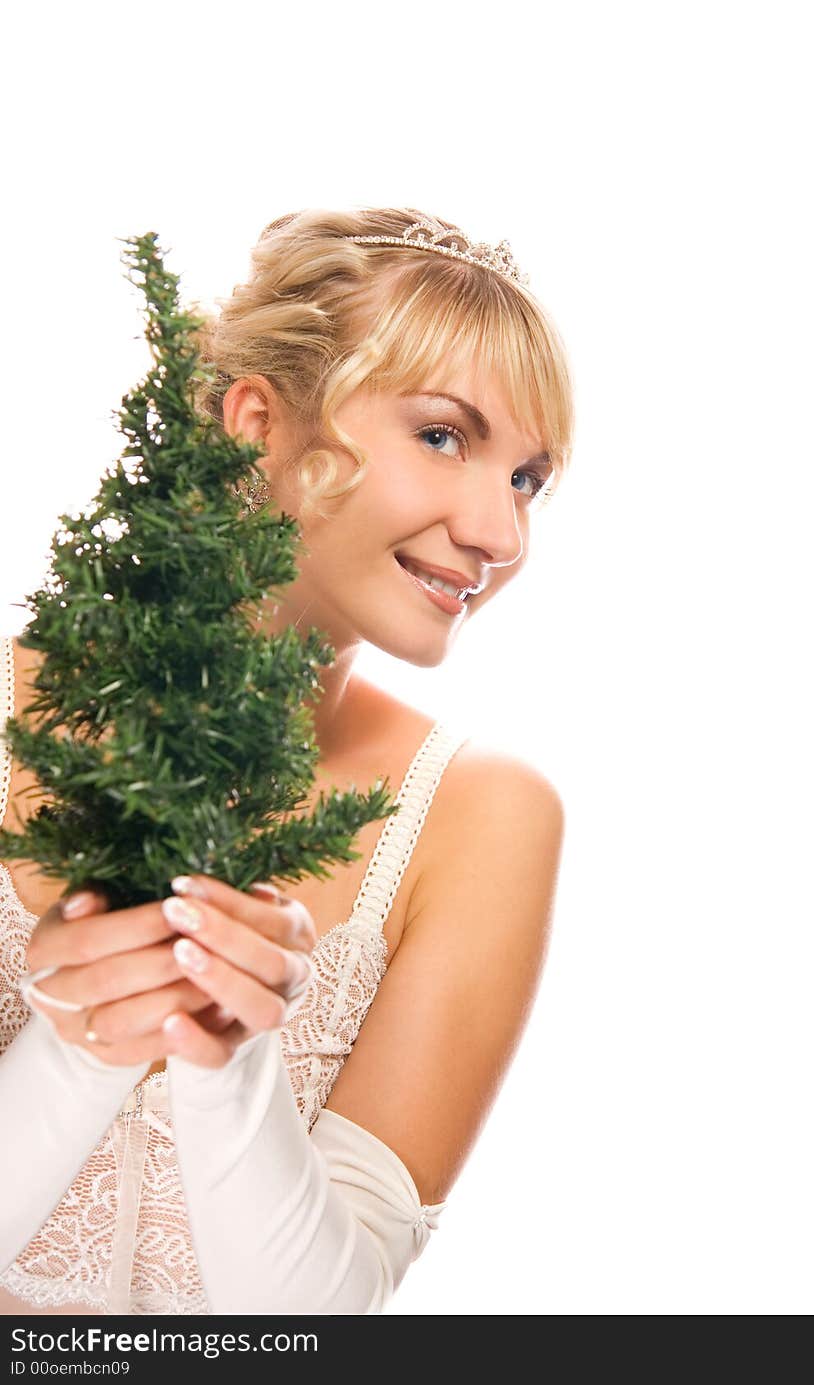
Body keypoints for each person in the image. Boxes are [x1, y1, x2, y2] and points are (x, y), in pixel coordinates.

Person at [0, 206, 575, 1315]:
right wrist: (82, 1039)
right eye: (445, 436)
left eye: (527, 478)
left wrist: (231, 1065)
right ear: (257, 419)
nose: (499, 537)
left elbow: (318, 1317)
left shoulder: (478, 816)